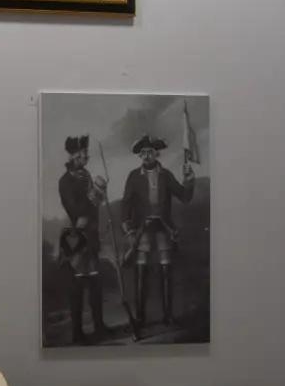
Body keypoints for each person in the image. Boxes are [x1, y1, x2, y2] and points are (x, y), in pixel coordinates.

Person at [122, 134, 196, 327]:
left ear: (157, 153)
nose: (147, 155)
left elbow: (185, 197)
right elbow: (126, 205)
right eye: (143, 152)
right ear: (140, 155)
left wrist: (189, 180)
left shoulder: (166, 175)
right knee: (141, 269)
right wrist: (129, 229)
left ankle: (168, 316)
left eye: (150, 152)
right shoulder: (133, 176)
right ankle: (140, 317)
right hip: (142, 228)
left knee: (166, 269)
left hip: (164, 226)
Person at [55, 134, 109, 343]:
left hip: (91, 236)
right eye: (84, 154)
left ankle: (100, 327)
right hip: (76, 238)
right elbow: (75, 209)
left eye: (86, 153)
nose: (87, 157)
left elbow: (94, 207)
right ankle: (77, 334)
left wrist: (99, 193)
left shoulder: (86, 175)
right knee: (77, 286)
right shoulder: (65, 181)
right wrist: (95, 194)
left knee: (95, 282)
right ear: (74, 156)